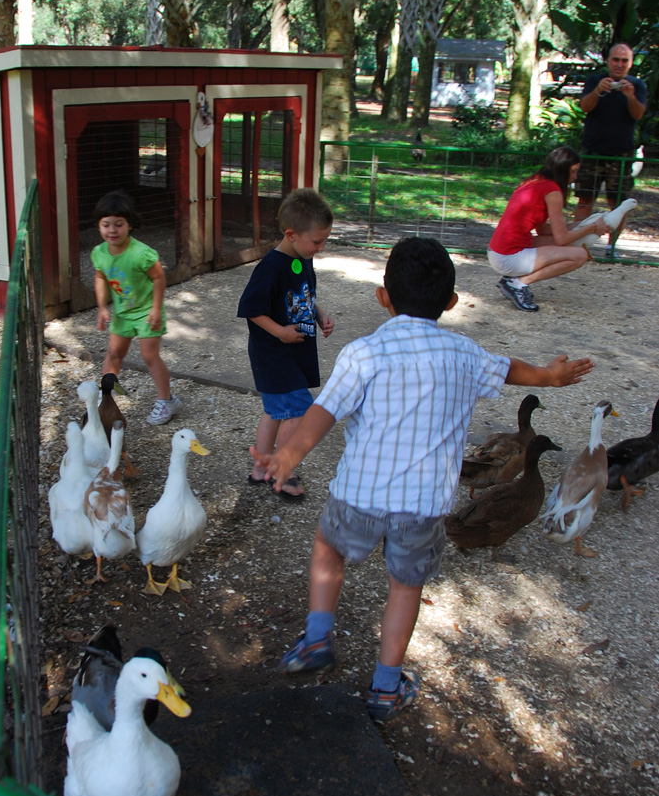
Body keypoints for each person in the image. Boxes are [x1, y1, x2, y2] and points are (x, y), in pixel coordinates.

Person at [253, 237, 593, 724]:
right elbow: (510, 370)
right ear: (452, 303)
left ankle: (316, 638)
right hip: (424, 505)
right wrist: (550, 377)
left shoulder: (363, 353)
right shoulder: (465, 354)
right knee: (404, 588)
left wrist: (287, 454)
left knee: (328, 549)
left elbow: (323, 411)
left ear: (382, 296)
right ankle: (386, 690)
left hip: (360, 494)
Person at [237, 189, 335, 501]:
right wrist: (280, 332)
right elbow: (251, 309)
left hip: (293, 350)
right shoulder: (272, 266)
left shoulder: (302, 258)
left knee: (275, 411)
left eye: (324, 241)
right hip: (274, 353)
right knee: (299, 410)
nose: (320, 247)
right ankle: (284, 469)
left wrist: (319, 315)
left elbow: (305, 294)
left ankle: (260, 468)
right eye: (317, 241)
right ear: (291, 234)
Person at [91, 191, 180, 425]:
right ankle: (105, 397)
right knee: (113, 353)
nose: (112, 230)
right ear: (99, 226)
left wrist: (156, 309)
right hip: (122, 313)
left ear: (129, 225)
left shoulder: (142, 254)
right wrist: (101, 306)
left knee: (149, 355)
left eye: (118, 224)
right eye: (106, 224)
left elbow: (159, 278)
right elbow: (100, 277)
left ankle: (166, 401)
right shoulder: (99, 253)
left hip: (146, 311)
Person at [487, 146, 608, 312]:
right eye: (573, 171)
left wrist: (587, 226)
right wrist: (592, 227)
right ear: (562, 170)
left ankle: (514, 281)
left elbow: (545, 231)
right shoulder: (553, 192)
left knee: (570, 245)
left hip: (499, 252)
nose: (575, 177)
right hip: (508, 257)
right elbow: (562, 239)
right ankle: (518, 283)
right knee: (579, 255)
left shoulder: (534, 182)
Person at [574, 43, 646, 240]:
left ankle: (610, 248)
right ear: (608, 61)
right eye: (616, 59)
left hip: (621, 154)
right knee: (585, 199)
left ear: (630, 63)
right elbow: (585, 107)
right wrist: (598, 90)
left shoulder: (637, 85)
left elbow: (638, 114)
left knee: (618, 205)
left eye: (624, 61)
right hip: (593, 150)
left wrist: (630, 96)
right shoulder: (595, 80)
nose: (619, 64)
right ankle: (576, 244)